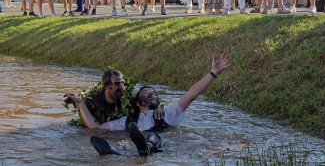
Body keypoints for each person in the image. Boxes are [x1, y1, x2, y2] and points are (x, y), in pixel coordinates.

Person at [65, 51, 231, 156]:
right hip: (137, 148)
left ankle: (144, 146)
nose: (150, 94)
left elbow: (191, 94)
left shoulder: (167, 113)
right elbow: (95, 128)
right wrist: (80, 103)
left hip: (161, 147)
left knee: (153, 137)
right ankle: (115, 153)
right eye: (145, 93)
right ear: (137, 102)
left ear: (158, 101)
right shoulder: (128, 121)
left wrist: (213, 73)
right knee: (124, 147)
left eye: (153, 94)